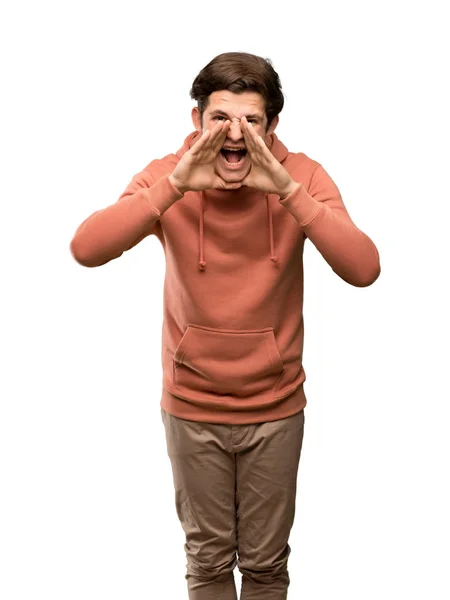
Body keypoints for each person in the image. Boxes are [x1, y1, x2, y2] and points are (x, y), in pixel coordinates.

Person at [69, 51, 381, 600]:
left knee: (265, 567)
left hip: (275, 409)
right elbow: (86, 249)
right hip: (191, 407)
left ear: (272, 125)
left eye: (251, 121)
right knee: (208, 563)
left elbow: (364, 269)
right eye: (220, 118)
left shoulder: (302, 176)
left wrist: (285, 189)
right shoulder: (167, 175)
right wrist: (174, 187)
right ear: (197, 120)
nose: (234, 133)